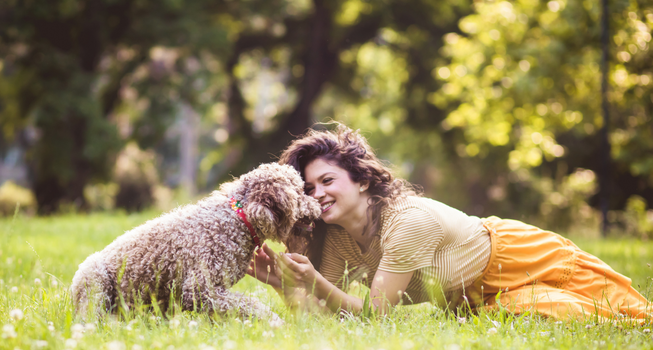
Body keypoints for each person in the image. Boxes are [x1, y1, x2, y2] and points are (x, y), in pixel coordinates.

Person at [247, 123, 651, 323]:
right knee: (522, 318)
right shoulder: (335, 238)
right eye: (309, 186)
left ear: (363, 180)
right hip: (474, 302)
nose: (316, 194)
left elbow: (376, 316)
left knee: (630, 316)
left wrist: (315, 281)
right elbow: (326, 319)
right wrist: (286, 284)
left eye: (328, 181)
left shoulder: (407, 222)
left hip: (517, 261)